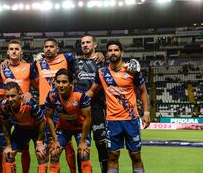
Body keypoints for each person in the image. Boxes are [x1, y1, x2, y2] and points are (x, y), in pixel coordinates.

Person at [86, 39, 150, 173]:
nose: (113, 53)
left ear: (122, 52)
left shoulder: (132, 70)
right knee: (113, 156)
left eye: (116, 50)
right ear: (107, 54)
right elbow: (92, 91)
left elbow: (143, 91)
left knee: (135, 156)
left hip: (131, 120)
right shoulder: (102, 73)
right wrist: (76, 101)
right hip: (112, 121)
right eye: (110, 50)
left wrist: (146, 113)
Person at [31, 38, 78, 172]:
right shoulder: (38, 63)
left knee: (67, 144)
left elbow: (81, 62)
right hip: (44, 107)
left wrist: (98, 54)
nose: (48, 49)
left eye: (52, 46)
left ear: (57, 49)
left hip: (63, 106)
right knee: (46, 145)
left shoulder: (66, 58)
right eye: (46, 47)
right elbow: (32, 79)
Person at [70, 35, 110, 173]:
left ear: (95, 45)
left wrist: (101, 55)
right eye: (83, 43)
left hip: (97, 108)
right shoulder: (75, 63)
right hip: (80, 110)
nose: (85, 45)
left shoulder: (102, 62)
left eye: (88, 42)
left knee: (102, 144)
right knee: (82, 145)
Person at [45, 68, 92, 173]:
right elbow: (49, 117)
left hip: (80, 128)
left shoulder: (80, 95)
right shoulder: (52, 95)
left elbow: (88, 118)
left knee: (84, 153)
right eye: (58, 82)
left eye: (64, 82)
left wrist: (83, 141)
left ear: (70, 83)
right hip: (64, 128)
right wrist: (55, 141)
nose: (61, 85)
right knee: (54, 152)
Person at [0, 39, 36, 172]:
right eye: (11, 49)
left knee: (28, 149)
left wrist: (31, 94)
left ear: (21, 52)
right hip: (11, 113)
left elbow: (38, 84)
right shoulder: (2, 68)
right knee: (9, 151)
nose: (14, 51)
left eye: (16, 49)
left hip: (28, 111)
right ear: (7, 52)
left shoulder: (29, 67)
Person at [0, 82, 47, 173]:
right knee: (9, 154)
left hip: (36, 129)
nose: (10, 99)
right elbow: (5, 126)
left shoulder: (30, 104)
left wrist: (39, 142)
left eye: (13, 96)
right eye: (8, 96)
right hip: (21, 129)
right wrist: (9, 145)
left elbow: (42, 122)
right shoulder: (4, 106)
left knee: (41, 154)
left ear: (20, 94)